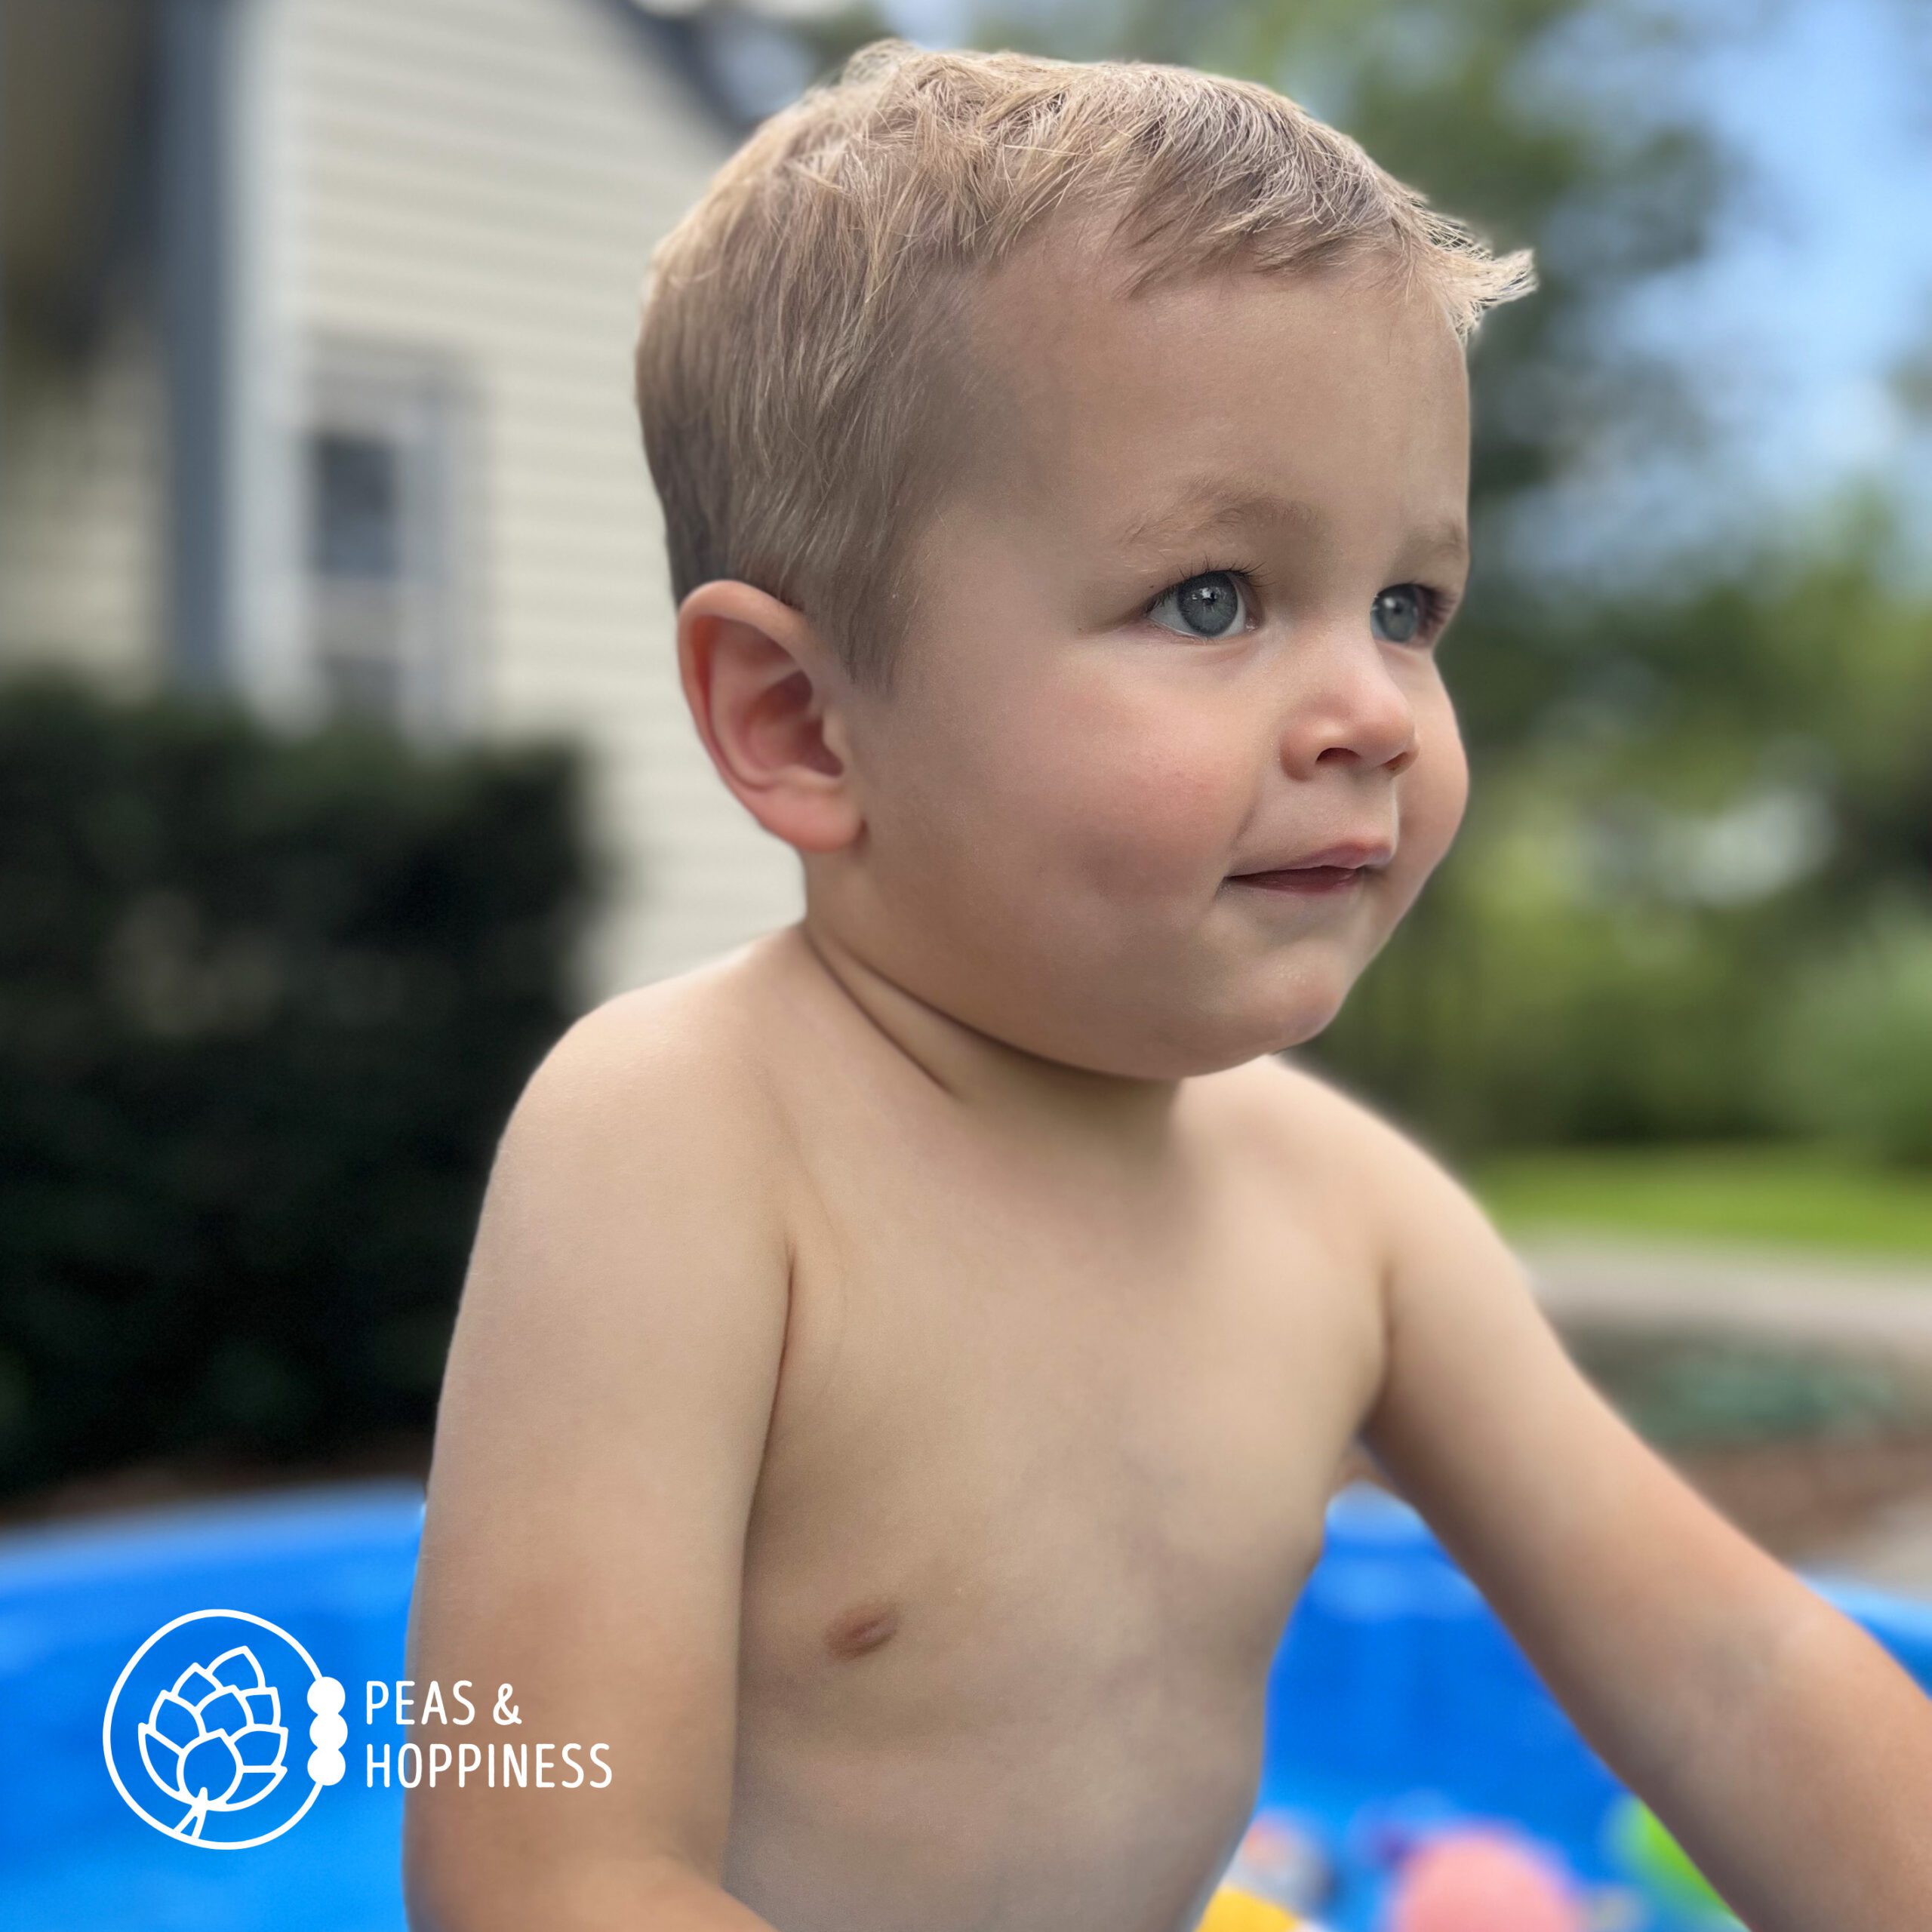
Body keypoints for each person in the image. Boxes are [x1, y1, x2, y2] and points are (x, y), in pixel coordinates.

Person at [401, 40, 1932, 1932]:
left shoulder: (1345, 1212)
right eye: (1211, 597)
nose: (1373, 709)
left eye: (1406, 605)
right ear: (801, 719)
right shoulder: (674, 1148)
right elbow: (530, 1856)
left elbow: (1733, 1675)